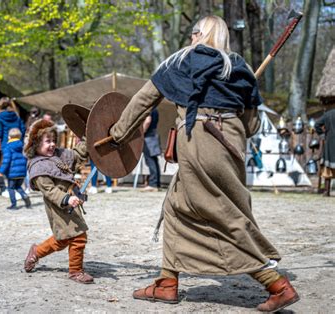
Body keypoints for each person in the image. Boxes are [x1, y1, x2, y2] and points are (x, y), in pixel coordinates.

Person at [108, 16, 299, 312]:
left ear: (199, 34)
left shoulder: (180, 61)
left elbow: (143, 100)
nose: (189, 40)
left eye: (191, 34)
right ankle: (167, 283)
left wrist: (117, 134)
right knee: (174, 206)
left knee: (220, 211)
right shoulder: (238, 67)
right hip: (231, 143)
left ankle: (275, 283)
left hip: (199, 139)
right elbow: (251, 124)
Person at [23, 119, 93, 284]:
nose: (53, 144)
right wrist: (67, 198)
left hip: (71, 203)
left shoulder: (59, 156)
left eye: (54, 140)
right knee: (78, 236)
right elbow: (50, 191)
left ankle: (36, 251)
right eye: (48, 141)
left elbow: (77, 154)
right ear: (35, 144)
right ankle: (75, 271)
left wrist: (89, 138)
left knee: (62, 239)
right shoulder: (38, 167)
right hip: (59, 207)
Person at [0, 128, 31, 210]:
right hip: (22, 172)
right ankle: (24, 196)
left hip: (12, 172)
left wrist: (1, 171)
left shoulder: (8, 147)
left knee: (11, 188)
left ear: (9, 137)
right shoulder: (23, 146)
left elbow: (6, 161)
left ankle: (14, 204)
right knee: (18, 186)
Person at [315, 109, 335, 197]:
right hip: (330, 142)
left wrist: (323, 135)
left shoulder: (328, 114)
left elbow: (317, 124)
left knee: (328, 168)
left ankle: (326, 191)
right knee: (328, 167)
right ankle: (326, 191)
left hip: (330, 141)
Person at [142, 108, 161, 192]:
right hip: (153, 134)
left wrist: (142, 132)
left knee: (150, 160)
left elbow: (148, 120)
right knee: (154, 160)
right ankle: (156, 184)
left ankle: (153, 184)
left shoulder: (150, 108)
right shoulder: (155, 109)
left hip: (148, 136)